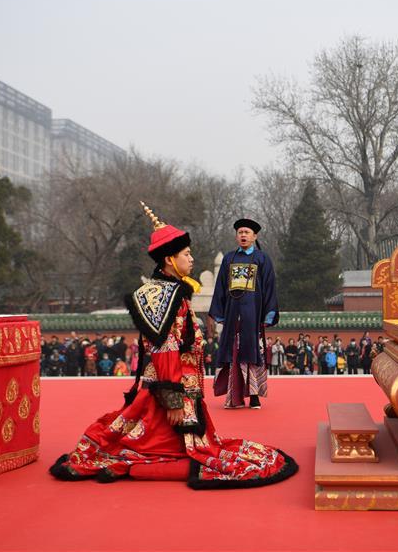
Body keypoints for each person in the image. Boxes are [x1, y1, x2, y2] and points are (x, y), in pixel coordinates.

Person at [49, 204, 297, 487]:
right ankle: (129, 467)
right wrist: (174, 399)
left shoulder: (165, 290)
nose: (191, 259)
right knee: (189, 452)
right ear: (169, 259)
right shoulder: (171, 295)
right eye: (186, 254)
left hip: (170, 383)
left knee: (155, 442)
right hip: (173, 387)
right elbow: (165, 349)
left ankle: (125, 463)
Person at [209, 218, 279, 409]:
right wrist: (220, 312)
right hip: (233, 316)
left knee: (253, 352)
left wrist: (268, 313)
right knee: (233, 353)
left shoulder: (262, 259)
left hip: (253, 315)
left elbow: (269, 287)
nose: (243, 235)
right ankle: (234, 396)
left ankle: (254, 396)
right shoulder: (229, 259)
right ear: (236, 236)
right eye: (240, 232)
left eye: (247, 232)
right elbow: (220, 287)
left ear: (254, 236)